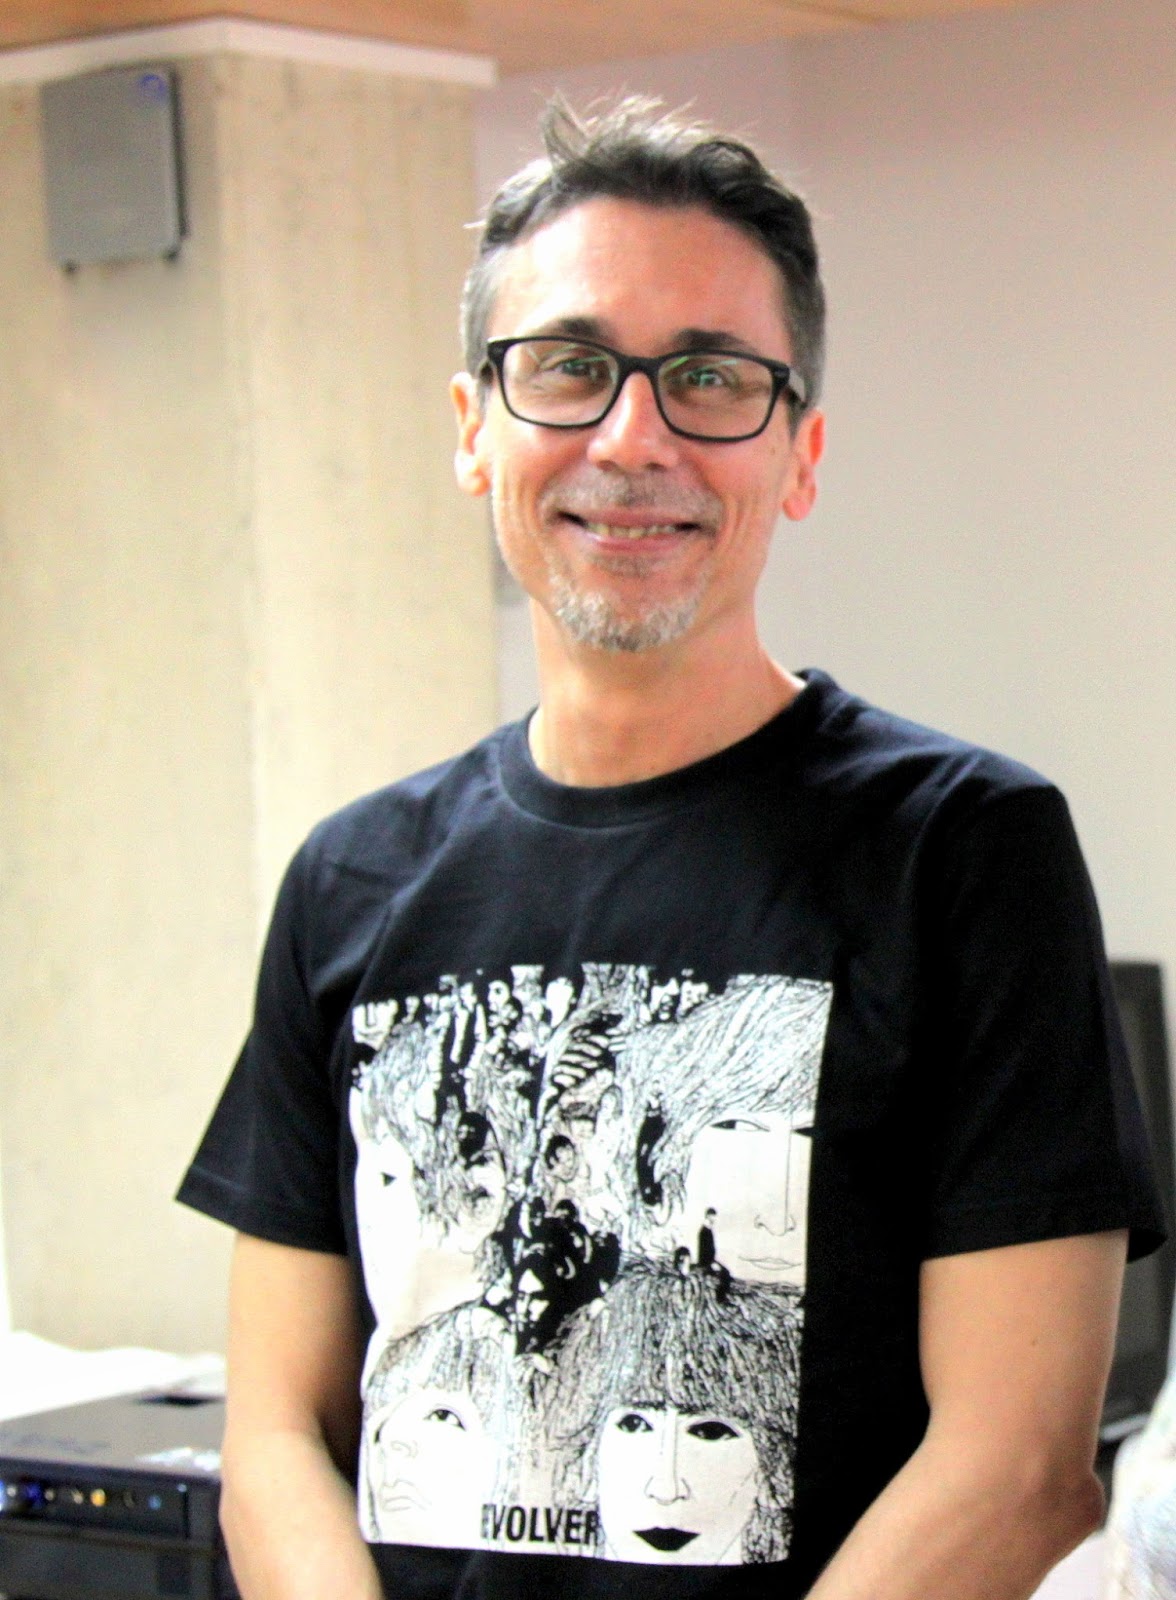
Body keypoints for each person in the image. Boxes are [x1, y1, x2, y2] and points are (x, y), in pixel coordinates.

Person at [177, 95, 1164, 1600]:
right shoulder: (349, 880)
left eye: (708, 378)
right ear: (473, 430)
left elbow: (1020, 1469)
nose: (633, 439)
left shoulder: (965, 849)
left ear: (801, 454)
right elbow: (272, 1438)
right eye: (568, 367)